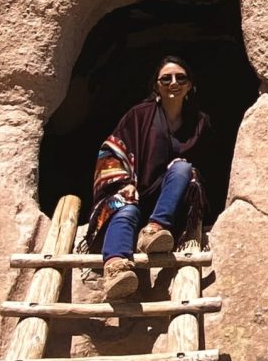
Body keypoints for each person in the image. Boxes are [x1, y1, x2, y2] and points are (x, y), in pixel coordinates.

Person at [86, 55, 216, 300]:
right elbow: (111, 150)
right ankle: (115, 268)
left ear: (190, 85)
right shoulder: (140, 115)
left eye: (180, 78)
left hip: (172, 204)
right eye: (165, 78)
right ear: (156, 85)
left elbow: (211, 167)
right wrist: (124, 183)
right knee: (125, 210)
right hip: (133, 190)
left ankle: (154, 230)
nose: (173, 83)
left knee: (182, 168)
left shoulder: (199, 123)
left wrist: (193, 178)